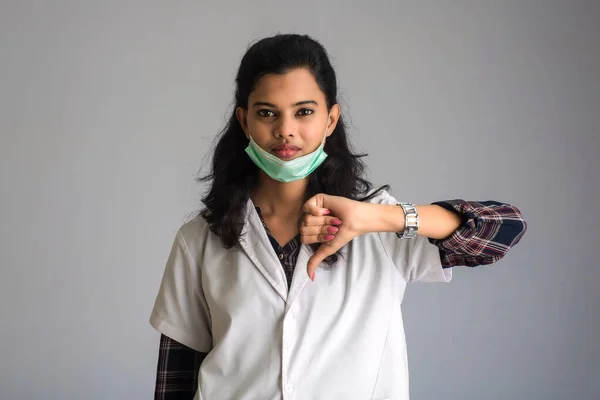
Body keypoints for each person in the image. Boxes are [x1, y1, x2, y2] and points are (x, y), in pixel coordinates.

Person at [150, 33, 527, 400]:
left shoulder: (379, 225)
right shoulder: (200, 238)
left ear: (330, 120)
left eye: (304, 112)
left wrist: (377, 218)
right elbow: (177, 376)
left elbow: (503, 230)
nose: (286, 131)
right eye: (267, 113)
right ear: (245, 121)